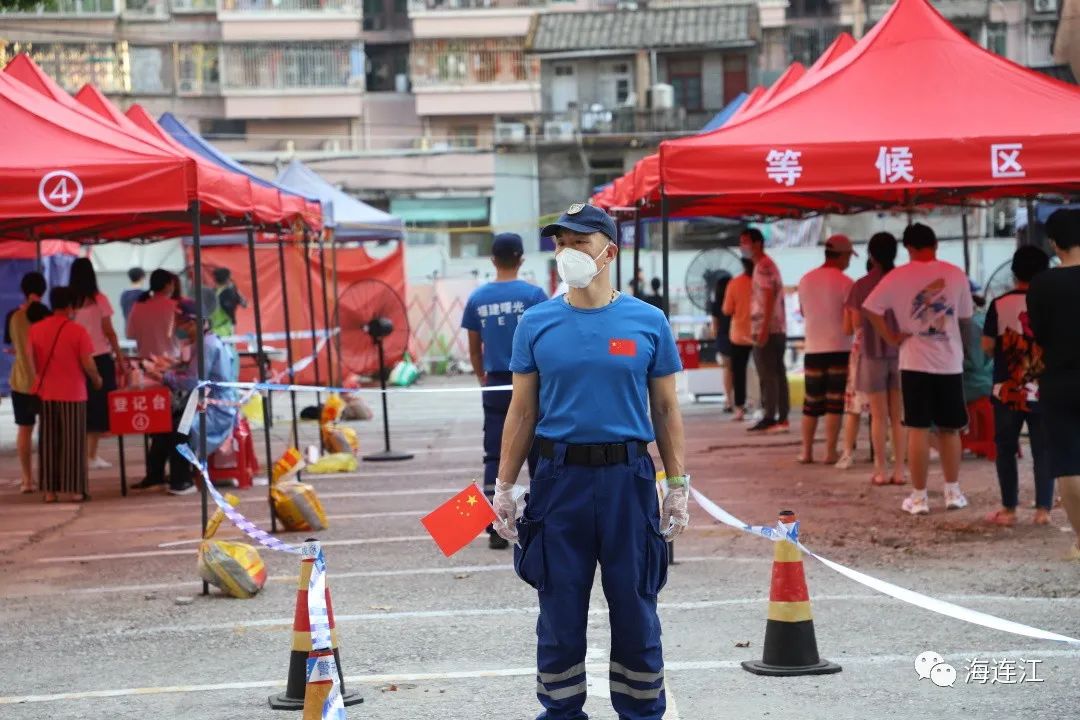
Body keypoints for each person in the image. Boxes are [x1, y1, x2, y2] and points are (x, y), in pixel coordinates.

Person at [492, 202, 687, 720]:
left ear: (609, 251)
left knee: (635, 608)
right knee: (558, 609)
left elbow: (665, 408)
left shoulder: (648, 322)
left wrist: (677, 484)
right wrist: (504, 486)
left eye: (580, 241)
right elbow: (522, 410)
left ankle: (642, 711)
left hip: (628, 480)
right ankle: (560, 711)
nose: (567, 252)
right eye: (560, 242)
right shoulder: (536, 323)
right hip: (559, 482)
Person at [863, 223, 974, 515]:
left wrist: (891, 337)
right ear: (935, 244)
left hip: (913, 362)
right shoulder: (954, 273)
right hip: (949, 362)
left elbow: (870, 308)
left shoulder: (898, 276)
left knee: (917, 430)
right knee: (950, 430)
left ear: (908, 248)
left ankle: (919, 497)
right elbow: (964, 319)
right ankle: (953, 492)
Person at [460, 232, 548, 549]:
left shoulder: (477, 298)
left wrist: (482, 376)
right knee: (538, 452)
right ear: (521, 259)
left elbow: (474, 349)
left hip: (496, 381)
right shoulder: (535, 295)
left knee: (495, 454)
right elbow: (546, 341)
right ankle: (541, 523)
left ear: (493, 260)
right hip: (531, 382)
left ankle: (495, 527)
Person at [982, 246, 1052, 526]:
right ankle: (1043, 510)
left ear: (1014, 271)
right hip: (1044, 388)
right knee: (1043, 450)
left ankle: (1009, 510)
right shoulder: (1051, 302)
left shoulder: (999, 304)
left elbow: (987, 346)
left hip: (1007, 389)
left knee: (1006, 448)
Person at [141, 299, 237, 496]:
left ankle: (183, 480)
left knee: (179, 428)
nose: (178, 327)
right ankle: (155, 476)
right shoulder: (203, 343)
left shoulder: (207, 346)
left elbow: (194, 381)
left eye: (181, 323)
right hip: (202, 402)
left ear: (193, 323)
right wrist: (170, 368)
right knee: (163, 422)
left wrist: (164, 376)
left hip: (215, 408)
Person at [1027, 208, 1080, 560]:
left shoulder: (1042, 284)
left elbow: (1040, 335)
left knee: (1068, 462)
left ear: (1053, 244)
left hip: (1060, 380)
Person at [29, 286, 103, 503]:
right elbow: (87, 362)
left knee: (49, 443)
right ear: (71, 306)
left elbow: (31, 361)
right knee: (73, 442)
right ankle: (75, 490)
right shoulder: (77, 331)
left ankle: (49, 492)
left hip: (47, 393)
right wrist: (97, 379)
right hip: (73, 393)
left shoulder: (36, 329)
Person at [844, 233, 906, 485]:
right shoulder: (904, 281)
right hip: (902, 354)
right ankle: (900, 470)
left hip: (871, 354)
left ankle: (880, 470)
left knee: (878, 416)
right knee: (898, 415)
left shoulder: (861, 285)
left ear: (871, 255)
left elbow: (856, 324)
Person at [796, 235, 855, 463]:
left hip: (813, 348)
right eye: (849, 256)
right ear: (841, 255)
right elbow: (850, 319)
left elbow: (803, 312)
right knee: (834, 403)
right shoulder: (846, 282)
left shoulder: (805, 280)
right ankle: (830, 452)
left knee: (811, 403)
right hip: (840, 347)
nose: (849, 261)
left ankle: (806, 451)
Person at [69, 257, 125, 470]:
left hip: (75, 360)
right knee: (99, 407)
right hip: (100, 358)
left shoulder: (69, 302)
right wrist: (119, 357)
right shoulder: (99, 299)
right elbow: (109, 331)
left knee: (78, 406)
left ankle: (80, 455)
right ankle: (91, 455)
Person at [5, 272, 51, 493]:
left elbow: (11, 346)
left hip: (20, 381)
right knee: (48, 430)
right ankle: (48, 477)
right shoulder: (48, 316)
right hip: (47, 383)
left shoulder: (13, 316)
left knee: (24, 429)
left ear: (23, 289)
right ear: (44, 290)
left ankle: (26, 480)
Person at [740, 228, 790, 433]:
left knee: (768, 374)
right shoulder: (766, 265)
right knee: (777, 373)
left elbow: (768, 297)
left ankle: (771, 416)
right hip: (775, 328)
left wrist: (764, 329)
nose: (742, 247)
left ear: (757, 243)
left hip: (767, 329)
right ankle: (779, 416)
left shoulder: (763, 267)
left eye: (745, 242)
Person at [722, 258, 754, 421]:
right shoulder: (762, 283)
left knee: (739, 373)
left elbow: (727, 310)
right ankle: (763, 406)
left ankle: (740, 408)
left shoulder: (734, 284)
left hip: (739, 335)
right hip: (759, 334)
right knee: (762, 373)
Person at [127, 269, 178, 360]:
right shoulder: (174, 306)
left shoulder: (138, 307)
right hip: (170, 360)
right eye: (173, 284)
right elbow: (182, 334)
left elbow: (130, 334)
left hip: (146, 360)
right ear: (167, 285)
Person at [962, 280, 994, 405]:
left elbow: (976, 363)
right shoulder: (983, 318)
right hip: (987, 386)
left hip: (972, 389)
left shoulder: (971, 325)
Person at [710, 271, 734, 412]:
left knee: (727, 370)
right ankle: (740, 401)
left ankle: (728, 400)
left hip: (723, 339)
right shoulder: (735, 301)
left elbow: (714, 326)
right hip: (737, 337)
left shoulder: (715, 304)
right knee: (739, 371)